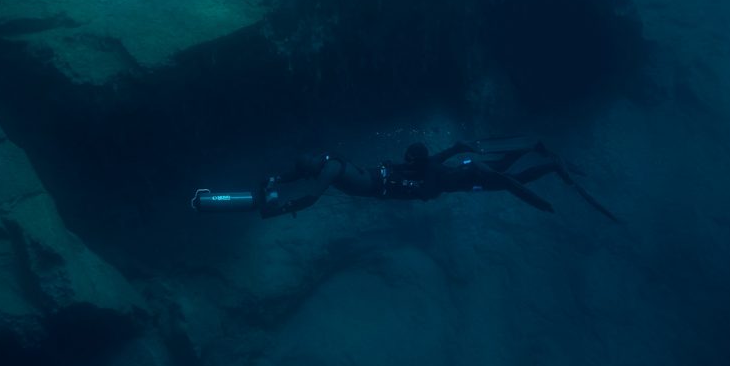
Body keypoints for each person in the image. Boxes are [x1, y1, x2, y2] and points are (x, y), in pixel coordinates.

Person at [250, 136, 618, 221]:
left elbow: (313, 195)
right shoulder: (323, 160)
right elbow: (300, 175)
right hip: (450, 173)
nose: (307, 169)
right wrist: (276, 181)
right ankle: (536, 150)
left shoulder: (328, 169)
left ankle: (549, 165)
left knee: (508, 178)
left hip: (462, 177)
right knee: (505, 173)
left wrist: (285, 208)